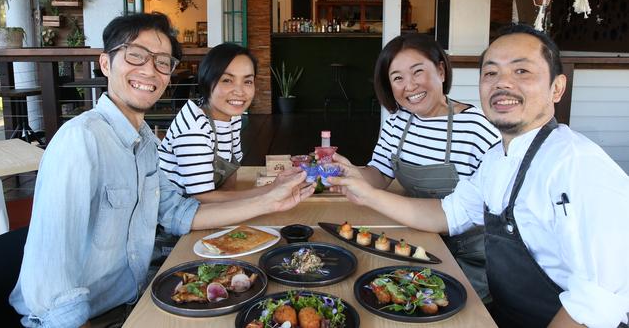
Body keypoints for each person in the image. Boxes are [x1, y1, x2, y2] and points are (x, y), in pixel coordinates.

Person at [9, 12, 313, 328]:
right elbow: (49, 284)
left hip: (137, 299)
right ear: (105, 64)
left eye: (162, 62)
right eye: (136, 56)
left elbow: (180, 212)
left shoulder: (146, 142)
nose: (149, 70)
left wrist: (272, 201)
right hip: (88, 319)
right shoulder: (81, 140)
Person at [329, 24, 629, 328]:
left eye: (521, 71)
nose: (503, 84)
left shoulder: (577, 166)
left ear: (557, 87)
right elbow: (448, 213)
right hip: (505, 312)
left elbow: (597, 301)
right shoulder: (499, 159)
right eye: (491, 73)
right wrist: (363, 191)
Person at [332, 33, 500, 301]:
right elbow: (379, 174)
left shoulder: (477, 128)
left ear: (441, 71)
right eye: (397, 78)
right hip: (416, 236)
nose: (409, 86)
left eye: (417, 72)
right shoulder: (398, 122)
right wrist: (349, 172)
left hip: (471, 254)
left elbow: (492, 210)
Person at [158, 43, 277, 202]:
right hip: (172, 213)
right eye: (227, 80)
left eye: (247, 81)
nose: (239, 91)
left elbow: (231, 166)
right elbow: (202, 196)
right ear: (207, 81)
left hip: (206, 207)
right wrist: (271, 191)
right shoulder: (195, 126)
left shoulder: (232, 117)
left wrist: (230, 196)